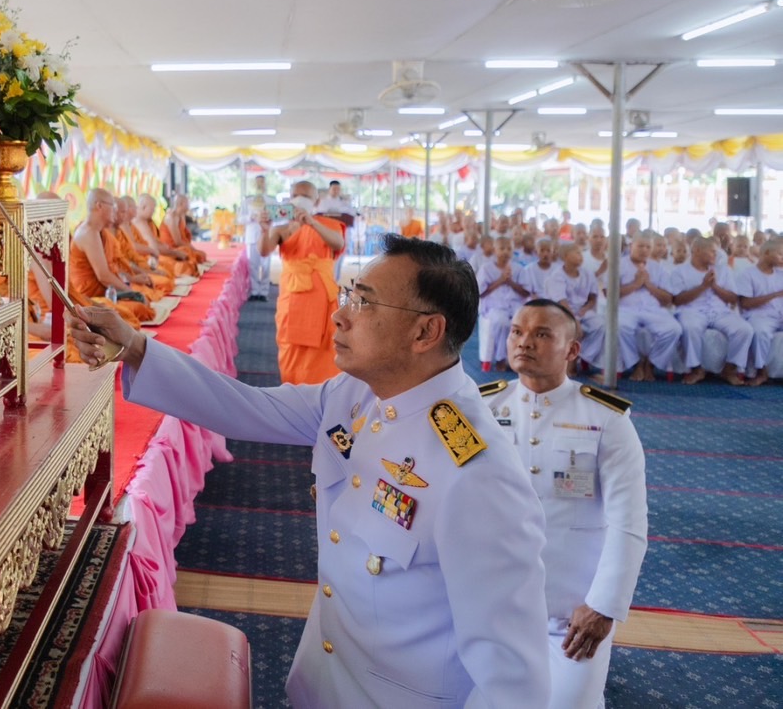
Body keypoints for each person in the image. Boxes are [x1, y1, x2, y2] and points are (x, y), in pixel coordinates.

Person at [67, 236, 552, 708]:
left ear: (426, 332)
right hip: (324, 681)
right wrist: (133, 346)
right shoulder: (359, 394)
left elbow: (512, 678)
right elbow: (246, 406)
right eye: (348, 296)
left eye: (364, 304)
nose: (338, 315)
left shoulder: (477, 472)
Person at [482, 301, 648, 709]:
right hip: (489, 607)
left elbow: (628, 522)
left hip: (571, 617)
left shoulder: (607, 420)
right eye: (517, 332)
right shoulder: (483, 411)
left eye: (542, 334)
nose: (525, 342)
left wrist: (603, 607)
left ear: (572, 350)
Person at [261, 180, 346, 384]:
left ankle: (326, 396)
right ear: (289, 199)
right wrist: (265, 229)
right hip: (293, 300)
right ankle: (293, 394)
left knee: (326, 350)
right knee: (292, 350)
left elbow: (339, 243)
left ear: (316, 201)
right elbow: (263, 251)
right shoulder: (281, 229)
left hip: (323, 299)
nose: (300, 199)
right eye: (296, 195)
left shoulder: (327, 225)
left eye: (306, 196)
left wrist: (312, 223)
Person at [669, 238, 753, 386]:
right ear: (697, 251)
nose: (716, 254)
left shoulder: (724, 270)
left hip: (720, 312)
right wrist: (702, 286)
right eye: (712, 251)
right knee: (690, 327)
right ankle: (696, 369)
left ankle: (729, 369)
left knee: (744, 329)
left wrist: (714, 287)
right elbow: (677, 300)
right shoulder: (680, 271)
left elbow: (733, 299)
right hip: (692, 310)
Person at [68, 188, 154, 325]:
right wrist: (131, 292)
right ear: (99, 206)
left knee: (140, 305)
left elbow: (114, 266)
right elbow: (104, 276)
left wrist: (131, 284)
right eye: (112, 206)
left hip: (107, 292)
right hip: (90, 297)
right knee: (138, 309)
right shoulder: (88, 233)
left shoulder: (99, 232)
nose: (115, 211)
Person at [618, 233, 682, 382]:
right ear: (631, 246)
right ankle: (636, 364)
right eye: (640, 246)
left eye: (648, 247)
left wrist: (648, 285)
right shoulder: (618, 265)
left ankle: (651, 364)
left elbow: (668, 299)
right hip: (626, 309)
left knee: (674, 329)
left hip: (653, 310)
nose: (644, 250)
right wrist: (635, 285)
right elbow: (610, 294)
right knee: (619, 327)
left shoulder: (658, 268)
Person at [476, 236, 530, 372]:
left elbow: (526, 293)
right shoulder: (486, 268)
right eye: (502, 248)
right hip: (494, 306)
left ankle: (520, 359)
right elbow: (480, 293)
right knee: (502, 323)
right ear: (495, 250)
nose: (506, 251)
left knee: (524, 322)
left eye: (509, 249)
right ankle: (501, 359)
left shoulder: (518, 269)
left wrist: (511, 282)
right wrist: (500, 280)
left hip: (515, 306)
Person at [739, 237, 783, 385]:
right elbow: (745, 303)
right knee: (759, 332)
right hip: (759, 316)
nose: (782, 258)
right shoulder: (748, 274)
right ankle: (761, 371)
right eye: (780, 254)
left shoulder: (780, 273)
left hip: (780, 315)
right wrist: (774, 295)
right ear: (767, 253)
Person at [246, 174, 273, 301]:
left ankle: (264, 292)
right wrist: (251, 217)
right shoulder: (247, 200)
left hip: (267, 235)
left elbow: (279, 218)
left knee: (266, 266)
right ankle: (254, 291)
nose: (260, 185)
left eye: (262, 182)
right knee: (253, 265)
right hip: (252, 236)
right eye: (258, 182)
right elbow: (240, 219)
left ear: (266, 184)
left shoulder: (271, 201)